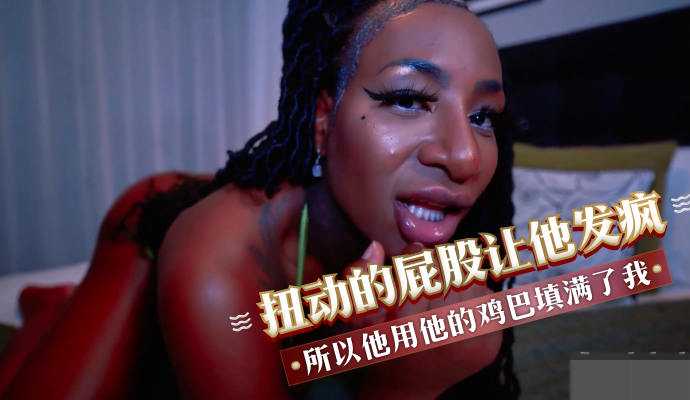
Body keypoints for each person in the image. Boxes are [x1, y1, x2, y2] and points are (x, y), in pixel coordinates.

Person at [1, 0, 520, 398]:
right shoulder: (220, 262)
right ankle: (51, 310)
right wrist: (404, 387)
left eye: (482, 116)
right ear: (322, 119)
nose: (464, 157)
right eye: (407, 99)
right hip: (150, 234)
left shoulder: (451, 231)